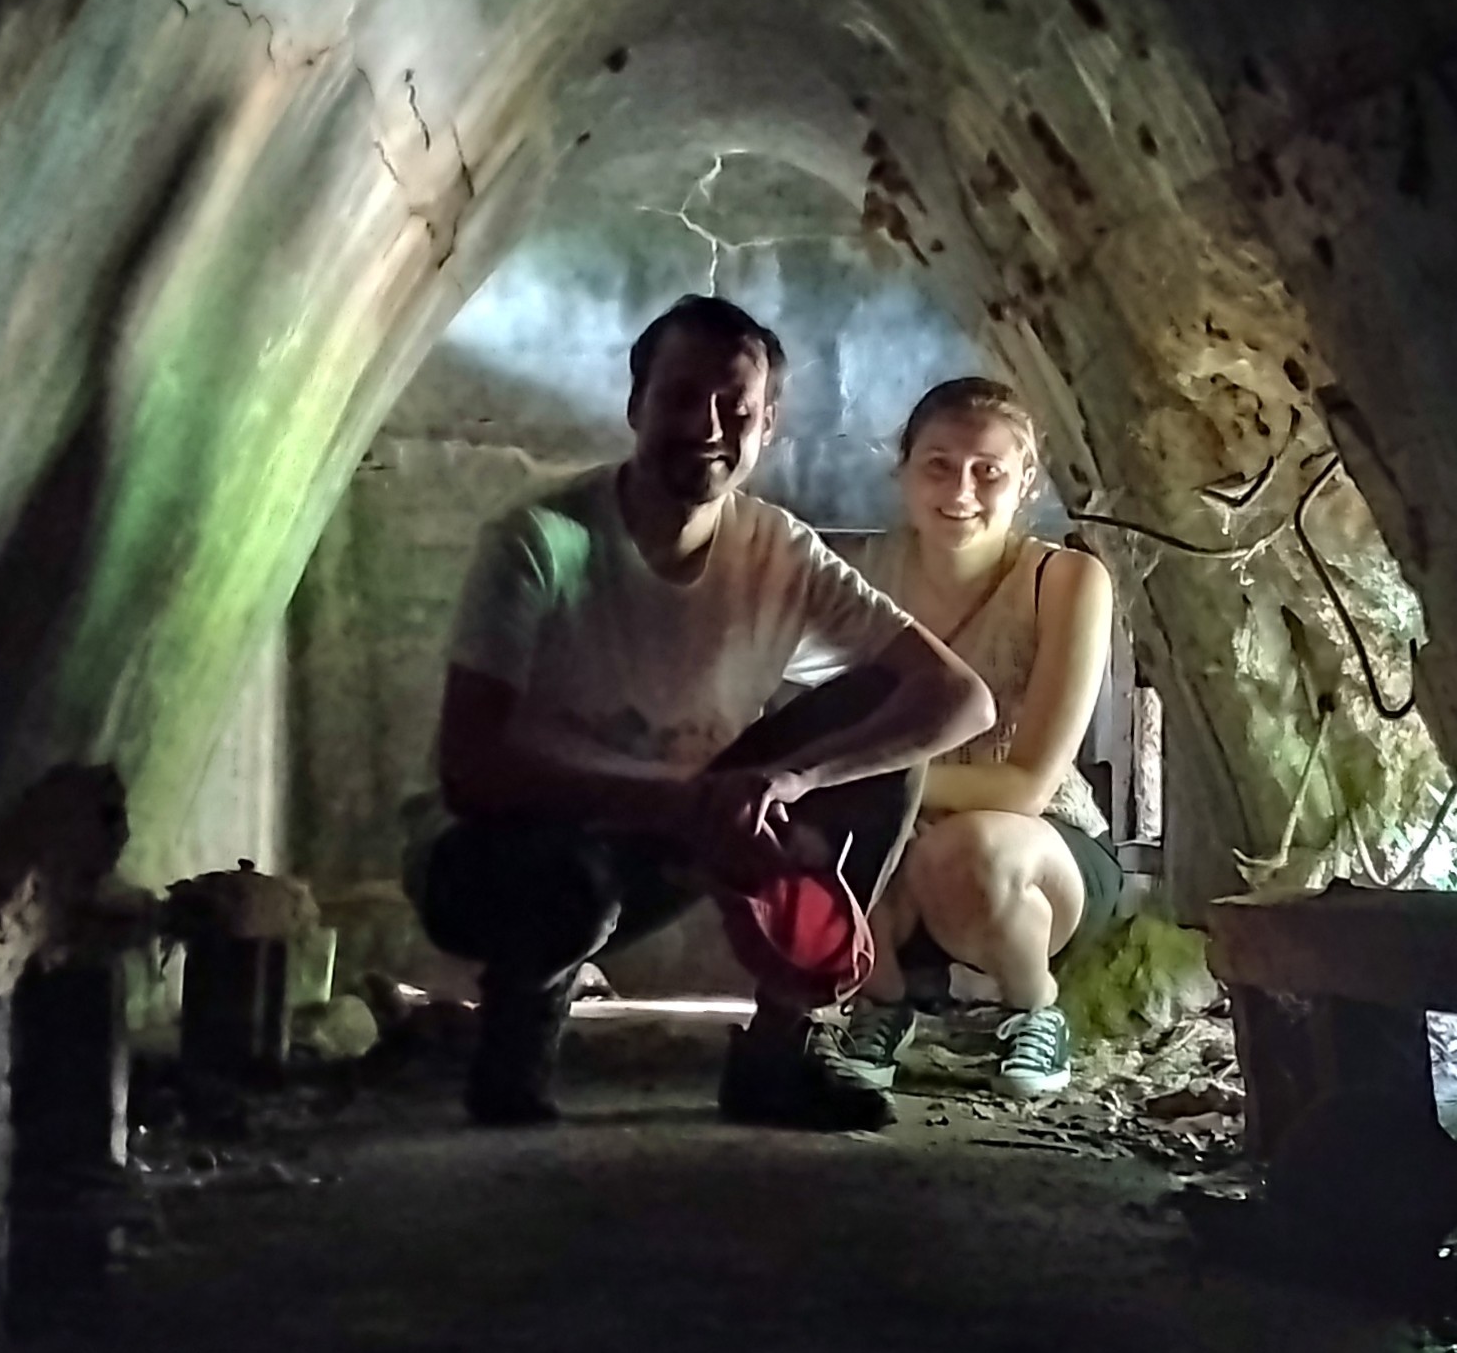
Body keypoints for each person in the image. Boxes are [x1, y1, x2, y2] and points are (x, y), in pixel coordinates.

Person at [411, 296, 994, 1130]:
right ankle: (516, 1040)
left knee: (888, 738)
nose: (708, 425)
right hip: (495, 854)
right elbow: (470, 769)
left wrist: (789, 779)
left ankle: (777, 1054)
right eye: (681, 398)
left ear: (767, 425)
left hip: (683, 828)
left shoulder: (777, 550)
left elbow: (958, 697)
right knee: (566, 881)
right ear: (635, 405)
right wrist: (683, 800)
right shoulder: (541, 542)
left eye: (735, 406)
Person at [819, 378, 1119, 1099]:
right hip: (892, 844)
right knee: (800, 837)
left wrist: (871, 776)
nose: (962, 489)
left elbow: (1028, 784)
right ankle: (883, 1002)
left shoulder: (1067, 580)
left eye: (988, 471)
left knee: (968, 848)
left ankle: (1036, 1007)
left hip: (1035, 849)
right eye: (938, 465)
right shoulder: (855, 577)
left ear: (1025, 482)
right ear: (903, 471)